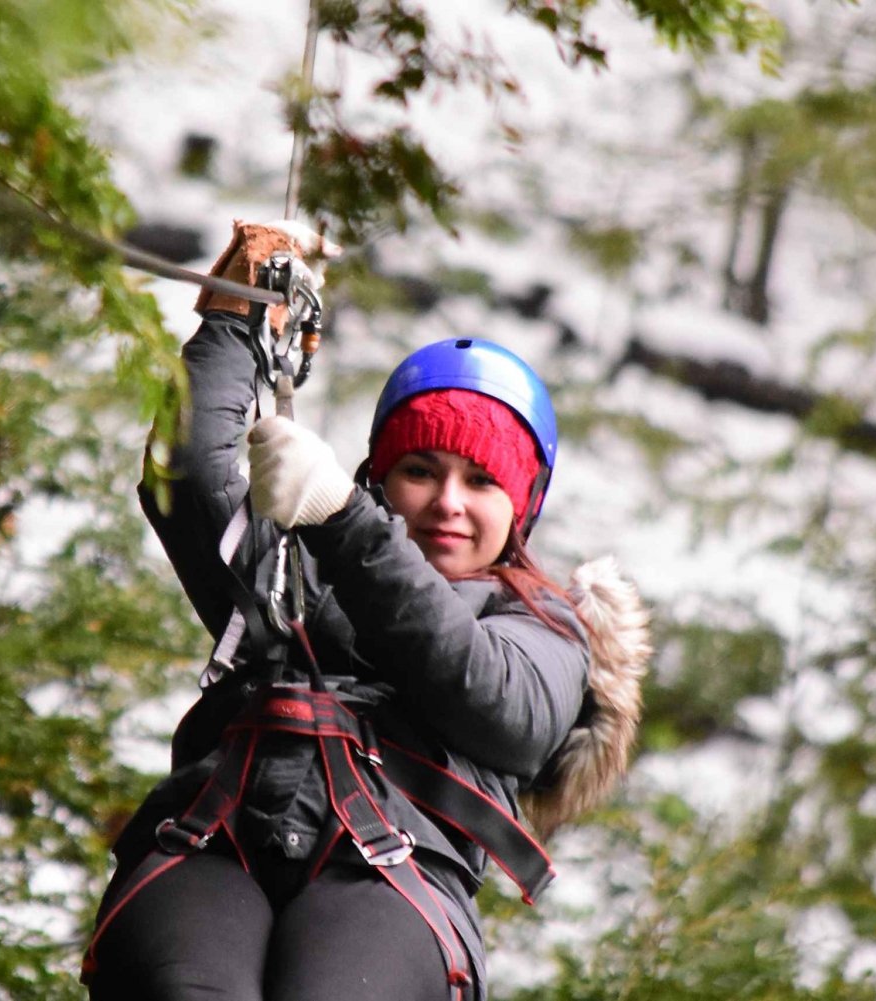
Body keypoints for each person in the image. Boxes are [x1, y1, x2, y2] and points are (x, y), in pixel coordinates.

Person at [82, 222, 648, 1001]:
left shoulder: (546, 625)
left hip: (395, 876)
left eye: (481, 481)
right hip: (215, 836)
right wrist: (232, 326)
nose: (448, 502)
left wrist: (347, 520)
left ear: (521, 506)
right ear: (382, 475)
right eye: (420, 470)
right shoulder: (297, 568)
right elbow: (187, 478)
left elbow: (496, 702)